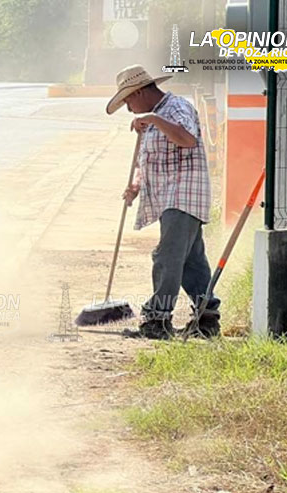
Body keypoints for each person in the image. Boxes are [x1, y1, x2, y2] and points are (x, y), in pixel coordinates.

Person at [107, 65, 216, 340]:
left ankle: (157, 319)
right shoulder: (151, 119)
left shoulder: (176, 107)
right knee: (192, 262)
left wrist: (154, 118)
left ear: (141, 92)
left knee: (167, 256)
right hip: (170, 196)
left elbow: (187, 139)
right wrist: (136, 185)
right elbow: (153, 160)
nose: (130, 109)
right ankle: (207, 318)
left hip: (184, 195)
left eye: (129, 100)